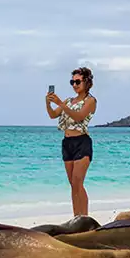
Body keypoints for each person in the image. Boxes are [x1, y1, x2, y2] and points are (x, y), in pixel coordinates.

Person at [45, 67, 97, 216]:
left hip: (82, 142)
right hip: (67, 143)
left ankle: (84, 217)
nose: (74, 85)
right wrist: (48, 103)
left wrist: (61, 104)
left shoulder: (90, 101)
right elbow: (53, 115)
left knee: (78, 182)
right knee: (73, 185)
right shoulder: (69, 101)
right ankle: (77, 217)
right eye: (72, 82)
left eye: (77, 81)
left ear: (87, 82)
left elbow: (79, 116)